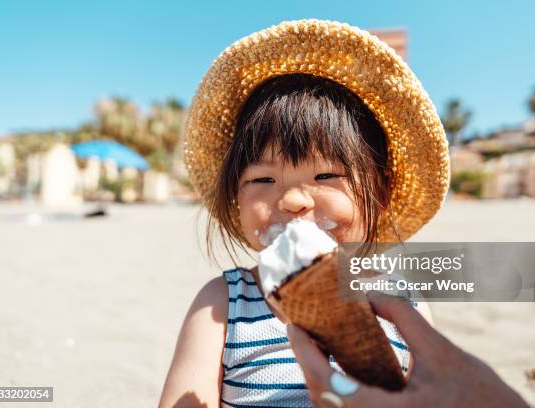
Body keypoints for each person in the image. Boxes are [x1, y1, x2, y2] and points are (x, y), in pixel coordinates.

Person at [159, 19, 449, 407]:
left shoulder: (404, 303)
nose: (293, 201)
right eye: (263, 179)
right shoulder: (223, 304)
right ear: (235, 196)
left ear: (379, 192)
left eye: (326, 174)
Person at [287, 293, 531, 408]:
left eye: (326, 186)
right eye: (263, 185)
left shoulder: (402, 302)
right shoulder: (245, 302)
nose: (294, 200)